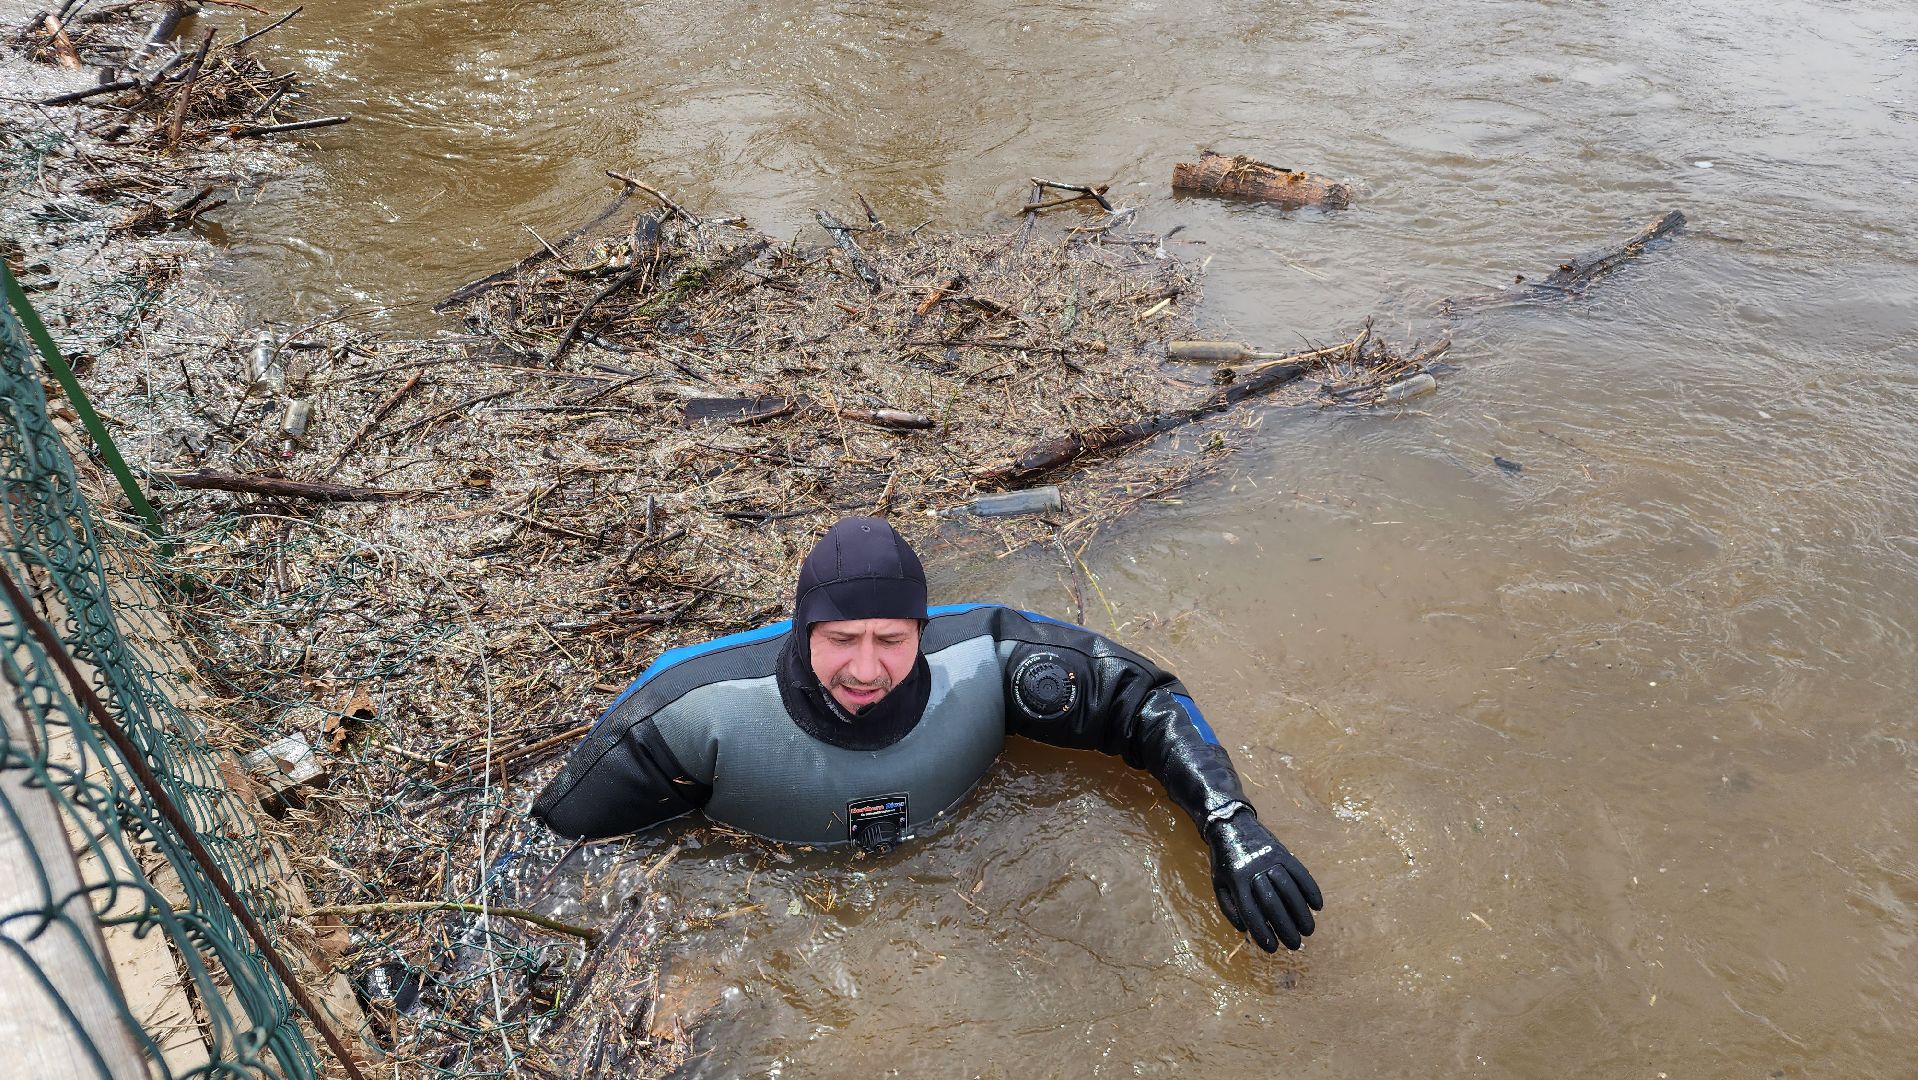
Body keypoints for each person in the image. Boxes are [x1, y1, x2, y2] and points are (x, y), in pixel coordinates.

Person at [532, 516, 1323, 952]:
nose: (866, 669)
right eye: (841, 639)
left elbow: (1142, 699)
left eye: (891, 639)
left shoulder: (986, 659)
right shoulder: (690, 710)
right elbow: (556, 843)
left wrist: (1230, 822)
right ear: (803, 630)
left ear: (924, 629)